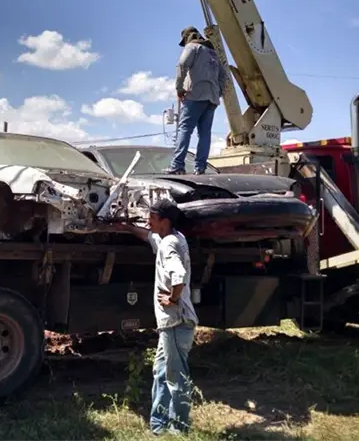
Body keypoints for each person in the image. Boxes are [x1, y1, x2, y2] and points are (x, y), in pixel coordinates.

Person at [115, 199, 198, 435]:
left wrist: (172, 299)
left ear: (165, 221)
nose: (147, 221)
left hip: (176, 321)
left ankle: (179, 427)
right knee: (161, 372)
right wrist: (127, 228)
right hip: (171, 323)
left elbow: (179, 276)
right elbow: (148, 237)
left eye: (152, 218)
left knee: (175, 376)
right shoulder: (171, 238)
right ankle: (159, 425)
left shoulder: (170, 244)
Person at [168, 26, 228, 175]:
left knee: (185, 129)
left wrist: (179, 88)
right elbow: (223, 75)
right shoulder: (212, 52)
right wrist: (217, 91)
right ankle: (200, 168)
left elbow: (182, 64)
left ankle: (177, 165)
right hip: (211, 99)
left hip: (195, 94)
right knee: (205, 133)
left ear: (187, 37)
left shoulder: (192, 47)